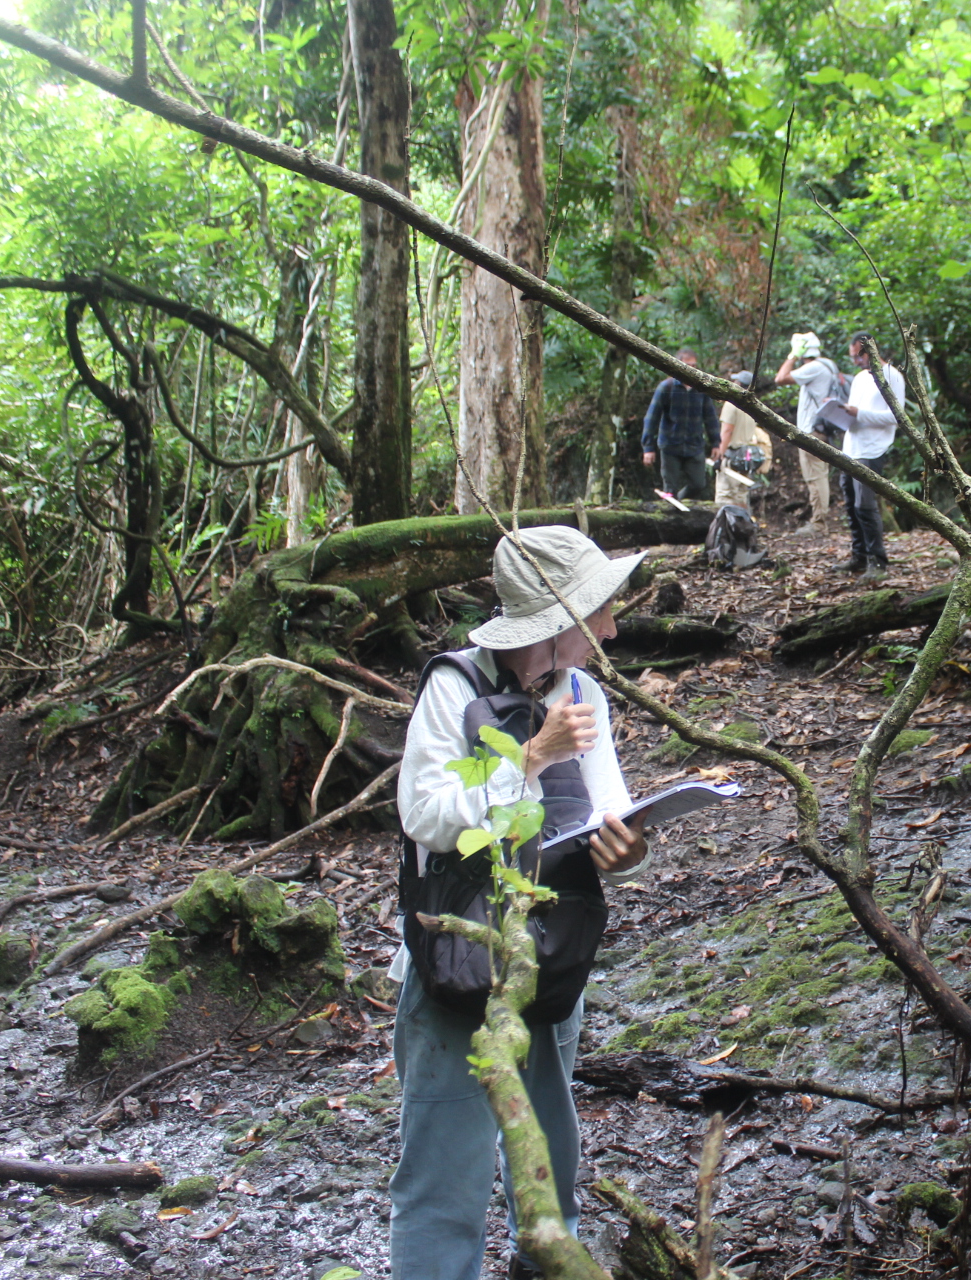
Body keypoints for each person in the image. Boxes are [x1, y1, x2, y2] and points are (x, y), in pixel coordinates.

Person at [391, 525, 650, 1280]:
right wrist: (530, 757)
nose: (610, 627)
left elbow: (609, 808)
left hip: (553, 949)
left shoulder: (587, 693)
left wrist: (629, 851)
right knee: (445, 1168)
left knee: (549, 1144)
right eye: (596, 610)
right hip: (459, 953)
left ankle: (547, 1259)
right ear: (552, 621)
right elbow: (426, 815)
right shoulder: (453, 687)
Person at [835, 332, 906, 581]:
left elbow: (896, 416)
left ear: (872, 351)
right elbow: (855, 413)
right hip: (851, 447)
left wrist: (860, 413)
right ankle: (859, 557)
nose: (856, 361)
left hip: (872, 449)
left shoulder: (892, 376)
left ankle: (878, 562)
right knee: (851, 506)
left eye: (859, 355)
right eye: (853, 356)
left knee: (865, 506)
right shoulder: (858, 378)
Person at [773, 332, 844, 529]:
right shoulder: (828, 365)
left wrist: (792, 356)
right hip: (822, 428)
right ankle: (819, 519)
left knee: (815, 476)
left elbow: (780, 378)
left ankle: (819, 523)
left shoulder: (814, 367)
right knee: (818, 473)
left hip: (812, 430)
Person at [640, 348, 718, 501]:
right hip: (671, 446)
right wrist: (648, 448)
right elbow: (651, 418)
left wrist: (716, 442)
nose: (691, 370)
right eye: (687, 365)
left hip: (694, 446)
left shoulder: (701, 388)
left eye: (694, 366)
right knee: (670, 490)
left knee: (698, 484)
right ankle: (671, 513)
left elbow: (710, 417)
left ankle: (679, 502)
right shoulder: (666, 388)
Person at [713, 370, 771, 511]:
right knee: (741, 495)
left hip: (732, 456)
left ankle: (726, 528)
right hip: (746, 456)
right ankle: (743, 527)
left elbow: (727, 431)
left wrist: (720, 455)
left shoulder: (732, 404)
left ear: (738, 384)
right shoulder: (752, 404)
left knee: (725, 495)